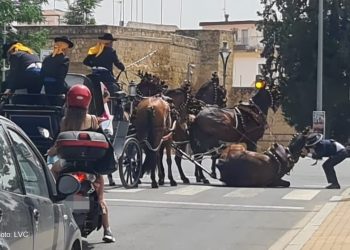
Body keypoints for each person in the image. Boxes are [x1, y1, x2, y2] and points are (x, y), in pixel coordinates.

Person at [48, 85, 116, 243]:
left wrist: (51, 152)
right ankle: (107, 230)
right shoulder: (93, 120)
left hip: (67, 164)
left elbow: (57, 144)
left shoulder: (65, 121)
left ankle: (55, 198)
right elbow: (103, 142)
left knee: (52, 173)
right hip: (89, 165)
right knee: (100, 197)